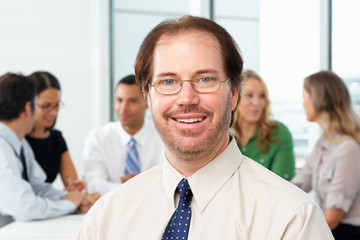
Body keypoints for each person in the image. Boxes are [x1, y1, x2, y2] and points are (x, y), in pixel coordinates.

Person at [78, 16, 333, 239]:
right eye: (168, 81)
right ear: (148, 97)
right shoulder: (105, 219)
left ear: (233, 94)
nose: (186, 98)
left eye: (205, 79)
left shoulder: (292, 220)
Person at [0, 73, 99, 228]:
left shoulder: (18, 143)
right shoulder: (2, 149)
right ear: (28, 108)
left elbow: (38, 188)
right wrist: (69, 203)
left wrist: (76, 198)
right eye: (43, 106)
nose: (52, 113)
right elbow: (25, 207)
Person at [292, 71, 360, 239]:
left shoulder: (348, 148)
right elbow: (299, 183)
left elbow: (334, 216)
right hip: (329, 229)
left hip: (346, 232)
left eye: (304, 97)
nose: (303, 103)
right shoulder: (323, 143)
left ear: (318, 99)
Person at [82, 74, 164, 195]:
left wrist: (135, 187)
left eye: (132, 101)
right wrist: (126, 189)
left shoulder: (162, 136)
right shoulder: (98, 137)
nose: (123, 108)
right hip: (112, 207)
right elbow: (92, 183)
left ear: (147, 102)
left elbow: (170, 180)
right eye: (119, 100)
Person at [25, 71, 85, 191]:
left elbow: (73, 184)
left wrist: (76, 193)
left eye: (56, 105)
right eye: (46, 106)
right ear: (29, 104)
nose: (53, 112)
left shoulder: (56, 139)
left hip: (47, 206)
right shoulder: (18, 140)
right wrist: (62, 196)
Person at [232, 69, 295, 180]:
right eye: (249, 95)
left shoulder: (279, 134)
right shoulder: (222, 134)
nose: (257, 103)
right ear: (234, 97)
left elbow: (282, 186)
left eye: (262, 96)